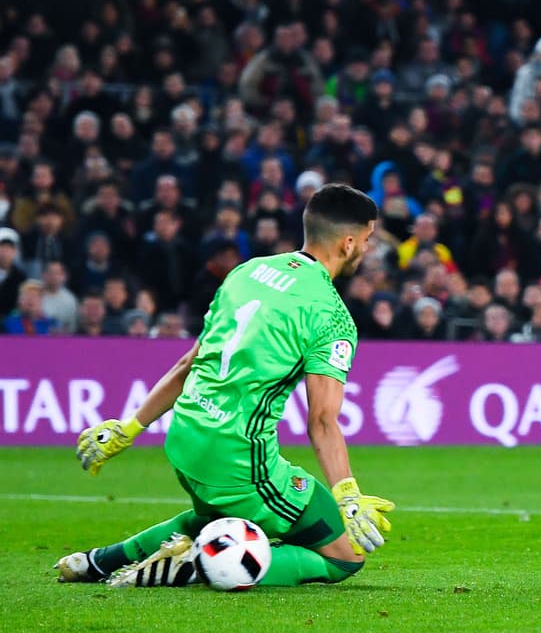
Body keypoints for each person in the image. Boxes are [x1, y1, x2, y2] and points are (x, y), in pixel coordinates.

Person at [56, 184, 394, 588]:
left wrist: (129, 428)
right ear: (349, 241)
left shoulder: (246, 272)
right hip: (236, 460)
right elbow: (321, 421)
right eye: (369, 240)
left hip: (184, 438)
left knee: (213, 516)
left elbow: (188, 363)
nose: (368, 250)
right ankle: (194, 567)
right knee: (345, 555)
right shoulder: (330, 314)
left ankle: (96, 563)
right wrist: (347, 495)